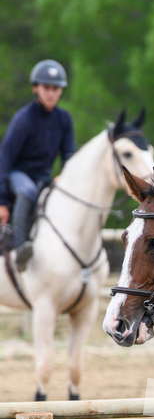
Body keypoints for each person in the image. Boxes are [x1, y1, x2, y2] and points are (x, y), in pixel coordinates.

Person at [0, 59, 75, 271]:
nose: (51, 93)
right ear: (36, 88)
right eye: (46, 87)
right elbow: (5, 157)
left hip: (44, 176)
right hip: (18, 174)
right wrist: (2, 201)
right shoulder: (24, 119)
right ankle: (20, 247)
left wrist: (65, 175)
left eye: (55, 88)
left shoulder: (64, 119)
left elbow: (69, 154)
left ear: (61, 91)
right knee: (28, 191)